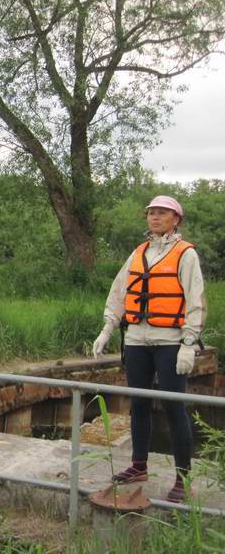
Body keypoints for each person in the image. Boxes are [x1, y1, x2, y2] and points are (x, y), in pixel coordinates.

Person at [92, 195, 205, 503]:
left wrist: (189, 343)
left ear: (175, 219)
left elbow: (195, 300)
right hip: (137, 340)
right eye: (151, 213)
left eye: (162, 213)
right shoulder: (139, 253)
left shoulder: (186, 254)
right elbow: (120, 292)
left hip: (170, 341)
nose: (155, 217)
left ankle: (183, 478)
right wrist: (107, 328)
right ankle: (138, 465)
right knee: (139, 404)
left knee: (173, 407)